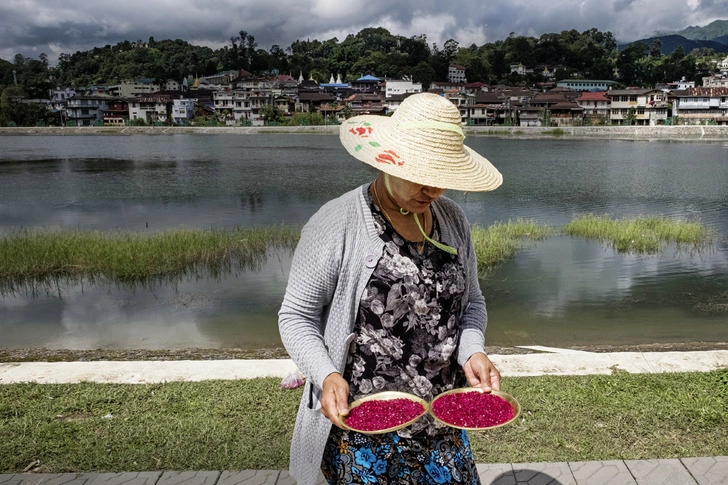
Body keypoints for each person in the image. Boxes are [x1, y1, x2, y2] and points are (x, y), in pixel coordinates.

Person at [278, 92, 503, 485]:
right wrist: (327, 375)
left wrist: (473, 350)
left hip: (441, 425)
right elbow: (296, 317)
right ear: (388, 159)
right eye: (421, 174)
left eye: (441, 177)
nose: (432, 189)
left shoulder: (452, 219)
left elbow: (473, 303)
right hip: (363, 429)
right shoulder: (336, 223)